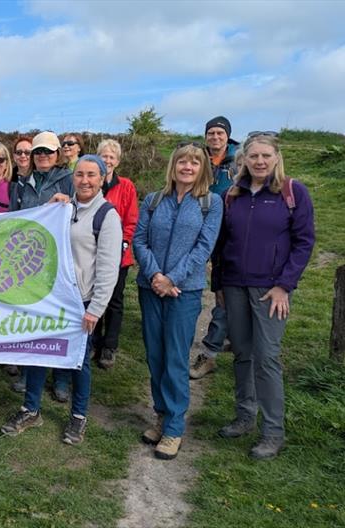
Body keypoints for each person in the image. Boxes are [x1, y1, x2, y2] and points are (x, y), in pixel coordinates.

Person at [0, 155, 122, 445]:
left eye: (92, 175)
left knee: (79, 361)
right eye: (80, 174)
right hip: (51, 295)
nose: (85, 181)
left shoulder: (107, 216)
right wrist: (49, 207)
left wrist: (96, 309)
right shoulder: (64, 208)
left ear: (103, 178)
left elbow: (108, 268)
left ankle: (78, 417)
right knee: (38, 351)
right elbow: (37, 230)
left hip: (81, 300)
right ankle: (31, 409)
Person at [213, 132, 314, 460]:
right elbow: (222, 243)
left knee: (267, 357)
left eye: (265, 156)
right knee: (242, 353)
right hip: (235, 286)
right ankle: (245, 417)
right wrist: (219, 287)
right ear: (244, 160)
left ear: (276, 158)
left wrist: (285, 285)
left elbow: (303, 242)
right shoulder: (234, 194)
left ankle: (273, 431)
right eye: (253, 156)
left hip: (271, 290)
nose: (259, 162)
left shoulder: (291, 192)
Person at [133, 143, 222, 460]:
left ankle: (174, 428)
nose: (187, 167)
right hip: (150, 287)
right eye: (182, 161)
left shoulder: (211, 204)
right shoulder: (154, 200)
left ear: (202, 169)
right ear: (174, 166)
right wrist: (156, 275)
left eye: (194, 163)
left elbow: (203, 247)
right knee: (155, 355)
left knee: (174, 358)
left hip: (184, 291)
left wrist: (172, 279)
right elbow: (139, 240)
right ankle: (160, 415)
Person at [11, 130, 74, 400]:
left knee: (58, 319)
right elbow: (14, 219)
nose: (42, 156)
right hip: (28, 260)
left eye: (48, 151)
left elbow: (77, 214)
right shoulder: (22, 184)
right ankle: (28, 371)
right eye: (38, 152)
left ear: (57, 154)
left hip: (60, 259)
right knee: (30, 318)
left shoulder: (69, 180)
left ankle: (60, 378)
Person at [190, 116, 241, 379]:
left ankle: (210, 351)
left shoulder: (239, 160)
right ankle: (226, 335)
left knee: (223, 291)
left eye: (220, 133)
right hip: (197, 224)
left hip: (230, 231)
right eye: (211, 133)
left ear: (227, 136)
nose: (215, 137)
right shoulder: (198, 158)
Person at [91, 139, 139, 369]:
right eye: (104, 156)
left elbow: (131, 220)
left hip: (119, 254)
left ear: (117, 161)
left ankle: (109, 347)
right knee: (94, 296)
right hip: (91, 253)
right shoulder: (91, 182)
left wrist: (122, 244)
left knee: (115, 301)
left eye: (112, 157)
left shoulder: (127, 186)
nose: (107, 160)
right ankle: (93, 341)